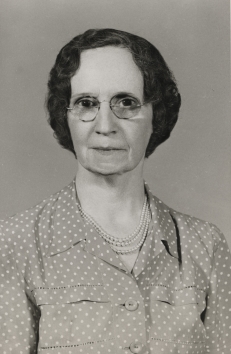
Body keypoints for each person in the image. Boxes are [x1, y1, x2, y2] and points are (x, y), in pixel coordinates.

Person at [0, 28, 230, 354]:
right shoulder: (15, 243)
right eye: (86, 103)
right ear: (64, 117)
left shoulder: (205, 246)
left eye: (126, 102)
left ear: (156, 116)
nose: (105, 125)